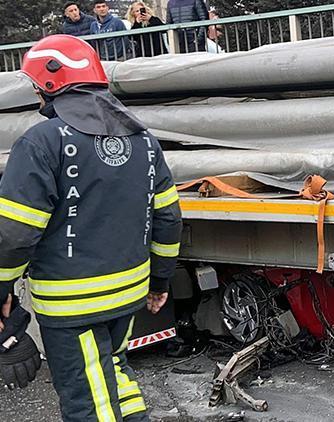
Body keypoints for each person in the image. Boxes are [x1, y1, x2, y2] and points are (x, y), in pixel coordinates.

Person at [0, 34, 182, 420]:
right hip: (130, 291)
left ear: (49, 86)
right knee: (112, 370)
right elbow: (168, 217)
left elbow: (14, 233)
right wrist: (161, 281)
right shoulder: (144, 140)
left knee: (87, 398)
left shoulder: (40, 142)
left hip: (72, 303)